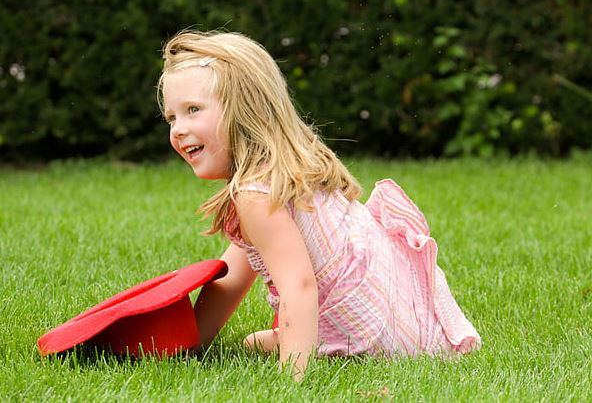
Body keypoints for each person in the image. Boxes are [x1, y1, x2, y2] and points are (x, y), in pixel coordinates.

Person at [158, 30, 481, 379]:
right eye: (172, 117)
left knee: (265, 342)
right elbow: (233, 277)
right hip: (401, 319)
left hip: (371, 337)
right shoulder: (283, 170)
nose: (178, 129)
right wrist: (189, 344)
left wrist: (293, 380)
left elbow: (299, 287)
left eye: (193, 110)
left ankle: (327, 352)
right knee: (251, 343)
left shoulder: (254, 194)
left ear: (244, 109)